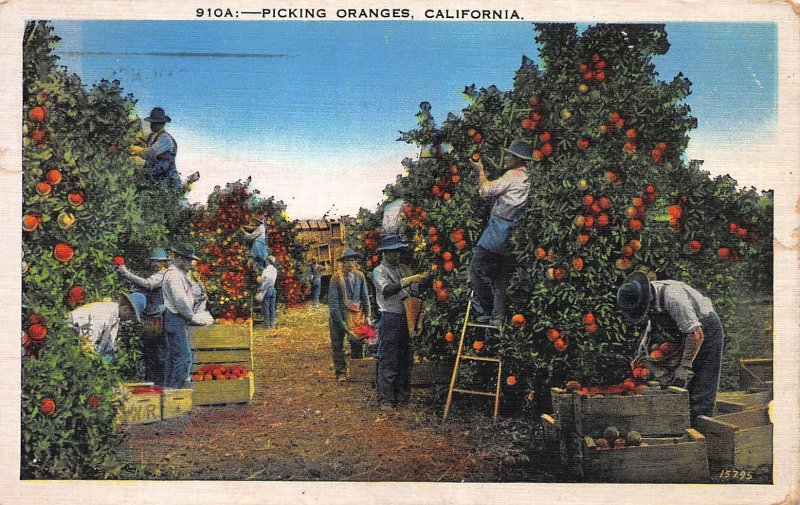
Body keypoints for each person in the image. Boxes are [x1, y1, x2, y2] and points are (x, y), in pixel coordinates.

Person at [617, 271, 726, 427]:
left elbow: (696, 334)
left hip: (706, 332)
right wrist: (642, 349)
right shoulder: (650, 296)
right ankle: (682, 427)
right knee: (679, 386)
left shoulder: (673, 298)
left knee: (702, 387)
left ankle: (701, 436)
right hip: (686, 335)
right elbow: (652, 326)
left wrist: (684, 366)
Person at [468, 140, 532, 326]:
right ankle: (497, 317)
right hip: (513, 233)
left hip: (498, 230)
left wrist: (480, 172)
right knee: (499, 278)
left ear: (518, 160)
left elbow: (485, 191)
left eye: (510, 156)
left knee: (476, 269)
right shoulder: (528, 177)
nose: (506, 158)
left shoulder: (512, 175)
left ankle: (485, 309)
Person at [371, 233, 429, 410]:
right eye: (393, 252)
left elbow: (415, 289)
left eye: (398, 252)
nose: (397, 255)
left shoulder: (403, 268)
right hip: (390, 317)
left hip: (407, 315)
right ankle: (386, 399)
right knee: (389, 357)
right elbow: (388, 290)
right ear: (385, 253)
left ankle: (402, 395)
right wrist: (410, 279)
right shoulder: (379, 271)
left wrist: (425, 279)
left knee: (405, 357)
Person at [114, 248, 172, 384]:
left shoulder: (163, 275)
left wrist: (126, 273)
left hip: (160, 315)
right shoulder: (157, 274)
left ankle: (159, 383)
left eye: (156, 262)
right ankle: (152, 382)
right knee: (150, 351)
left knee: (159, 351)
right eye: (153, 261)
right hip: (152, 315)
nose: (153, 264)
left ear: (163, 262)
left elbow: (148, 284)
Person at [160, 244, 210, 388]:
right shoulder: (174, 276)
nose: (190, 263)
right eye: (187, 260)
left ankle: (168, 391)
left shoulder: (178, 274)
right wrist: (193, 317)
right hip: (175, 318)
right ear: (177, 258)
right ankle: (176, 392)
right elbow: (181, 301)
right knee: (184, 358)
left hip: (174, 318)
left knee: (173, 357)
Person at [328, 248, 372, 382]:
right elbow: (333, 304)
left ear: (356, 262)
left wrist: (368, 315)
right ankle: (341, 372)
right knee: (338, 345)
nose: (350, 264)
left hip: (356, 315)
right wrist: (342, 324)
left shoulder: (359, 276)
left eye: (352, 261)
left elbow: (365, 296)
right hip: (339, 316)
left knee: (358, 342)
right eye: (347, 261)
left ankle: (358, 371)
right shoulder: (336, 278)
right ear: (342, 263)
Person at [129, 107, 181, 192]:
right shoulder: (151, 136)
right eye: (151, 122)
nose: (152, 125)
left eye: (155, 123)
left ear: (163, 124)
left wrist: (132, 148)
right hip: (154, 179)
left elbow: (149, 153)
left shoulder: (165, 139)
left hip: (168, 183)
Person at [257, 255, 279, 329]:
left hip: (267, 289)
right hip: (273, 289)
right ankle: (272, 324)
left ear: (267, 262)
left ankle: (267, 324)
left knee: (266, 307)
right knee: (272, 307)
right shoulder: (275, 270)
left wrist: (261, 288)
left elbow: (265, 281)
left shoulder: (266, 270)